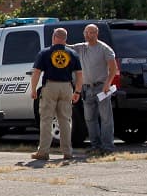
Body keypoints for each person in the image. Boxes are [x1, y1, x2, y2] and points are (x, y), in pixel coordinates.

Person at [30, 27, 83, 161]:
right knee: (65, 120)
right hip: (66, 87)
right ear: (65, 39)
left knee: (46, 119)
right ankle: (67, 152)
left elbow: (36, 72)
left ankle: (43, 152)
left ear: (54, 37)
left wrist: (33, 89)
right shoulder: (72, 54)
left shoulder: (45, 53)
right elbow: (79, 74)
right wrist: (77, 91)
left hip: (50, 86)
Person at [73, 24, 119, 155]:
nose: (88, 35)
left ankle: (108, 147)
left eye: (91, 32)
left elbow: (113, 69)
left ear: (96, 34)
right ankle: (95, 146)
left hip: (101, 88)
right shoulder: (81, 47)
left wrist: (107, 83)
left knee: (105, 118)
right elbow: (66, 48)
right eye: (86, 32)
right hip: (87, 88)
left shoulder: (104, 49)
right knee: (89, 118)